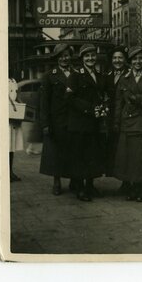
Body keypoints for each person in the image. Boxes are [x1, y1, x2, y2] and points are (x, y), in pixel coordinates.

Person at [114, 46, 142, 202]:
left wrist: (138, 99)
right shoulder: (124, 79)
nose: (138, 62)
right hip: (128, 122)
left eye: (140, 59)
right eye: (134, 59)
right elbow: (119, 103)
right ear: (129, 62)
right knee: (130, 156)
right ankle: (132, 187)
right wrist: (117, 121)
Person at [66, 43, 107, 201]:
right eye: (87, 56)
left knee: (92, 155)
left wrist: (103, 108)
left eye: (92, 55)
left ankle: (90, 185)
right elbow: (70, 98)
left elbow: (101, 96)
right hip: (80, 123)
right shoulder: (75, 75)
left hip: (94, 123)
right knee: (80, 156)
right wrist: (90, 109)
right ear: (82, 58)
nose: (90, 58)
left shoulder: (98, 74)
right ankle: (81, 188)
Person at [39, 44, 74, 195]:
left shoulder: (77, 73)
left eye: (66, 55)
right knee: (56, 152)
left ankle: (75, 180)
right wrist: (45, 123)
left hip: (74, 119)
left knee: (74, 151)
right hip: (56, 121)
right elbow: (44, 102)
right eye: (61, 56)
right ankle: (57, 182)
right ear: (56, 59)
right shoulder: (49, 75)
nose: (64, 58)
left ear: (70, 56)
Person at [104, 45, 130, 193]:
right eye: (114, 58)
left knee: (126, 149)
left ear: (125, 59)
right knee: (117, 150)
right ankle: (123, 180)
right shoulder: (108, 75)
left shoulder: (129, 74)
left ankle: (128, 181)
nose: (117, 60)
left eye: (120, 58)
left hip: (126, 116)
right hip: (111, 117)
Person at [9, 78, 24, 182]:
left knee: (11, 146)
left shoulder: (13, 80)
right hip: (6, 114)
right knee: (6, 146)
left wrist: (21, 106)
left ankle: (10, 171)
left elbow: (16, 95)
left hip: (13, 114)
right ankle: (5, 172)